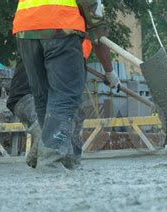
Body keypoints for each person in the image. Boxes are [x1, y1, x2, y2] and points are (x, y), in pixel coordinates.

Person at [12, 0, 116, 172]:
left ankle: (62, 156)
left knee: (43, 97)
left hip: (25, 27)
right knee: (64, 97)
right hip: (61, 25)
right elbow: (92, 13)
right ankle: (50, 160)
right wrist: (97, 24)